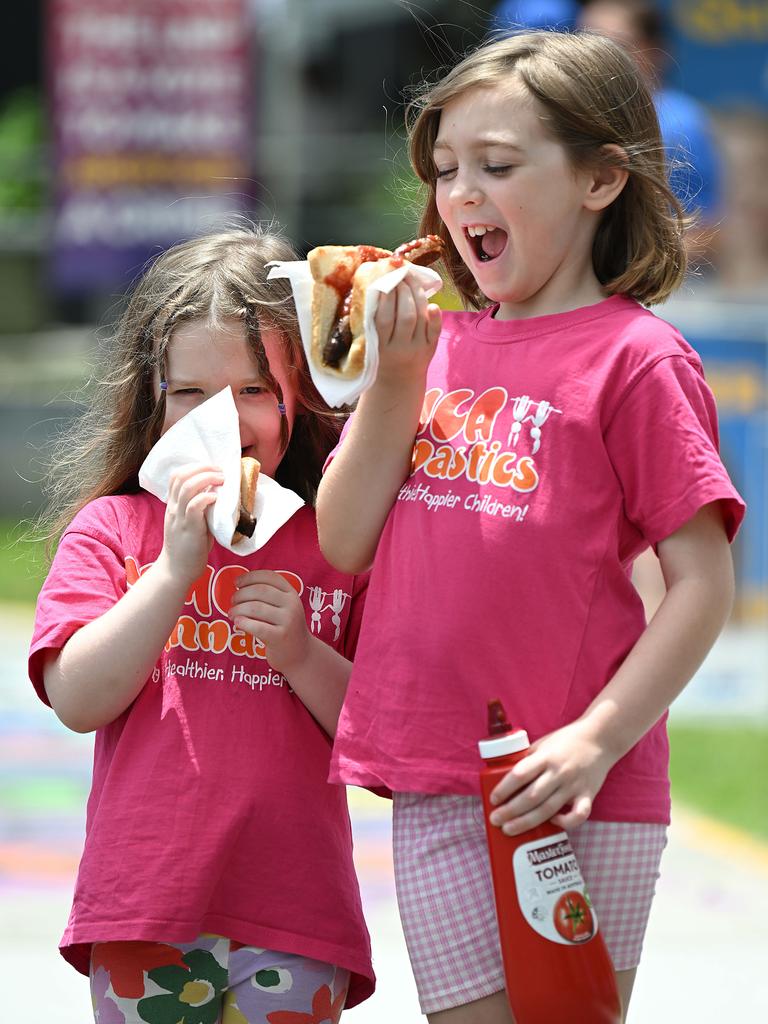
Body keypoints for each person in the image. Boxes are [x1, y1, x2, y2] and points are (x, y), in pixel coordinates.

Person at [316, 31, 744, 1024]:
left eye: (498, 166)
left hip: (579, 784)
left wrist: (595, 742)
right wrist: (393, 382)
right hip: (431, 772)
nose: (461, 192)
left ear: (600, 178)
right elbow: (342, 541)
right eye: (448, 168)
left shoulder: (637, 358)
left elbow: (705, 584)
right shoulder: (431, 351)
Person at [28, 227, 374, 1023]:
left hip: (297, 913)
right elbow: (78, 698)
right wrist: (173, 574)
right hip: (144, 911)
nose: (223, 418)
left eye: (254, 390)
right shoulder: (113, 529)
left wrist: (300, 651)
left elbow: (379, 733)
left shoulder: (339, 538)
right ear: (152, 400)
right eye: (191, 393)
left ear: (302, 399)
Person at [576, 0, 723, 266]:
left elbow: (706, 230)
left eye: (617, 45)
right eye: (587, 43)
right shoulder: (565, 115)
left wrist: (627, 275)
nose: (596, 59)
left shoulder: (681, 123)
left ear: (654, 51)